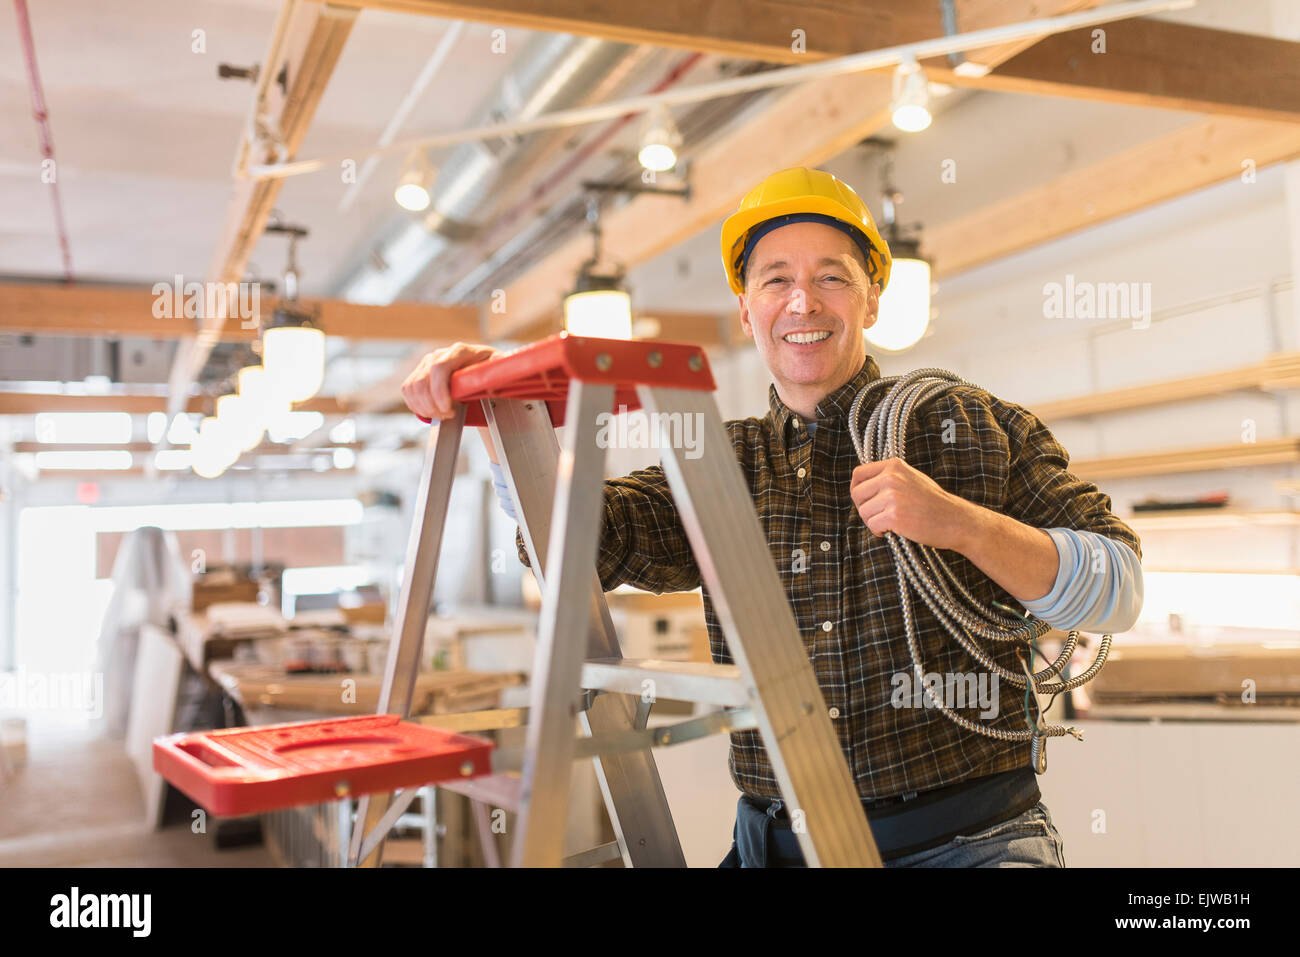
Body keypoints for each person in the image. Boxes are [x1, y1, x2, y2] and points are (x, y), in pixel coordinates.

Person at [401, 166, 1143, 868]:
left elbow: (1118, 587)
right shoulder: (721, 466)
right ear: (746, 307)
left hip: (966, 841)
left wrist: (961, 525)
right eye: (777, 280)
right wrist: (505, 426)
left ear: (872, 299)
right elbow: (586, 542)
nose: (802, 302)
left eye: (832, 278)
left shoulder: (968, 424)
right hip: (783, 844)